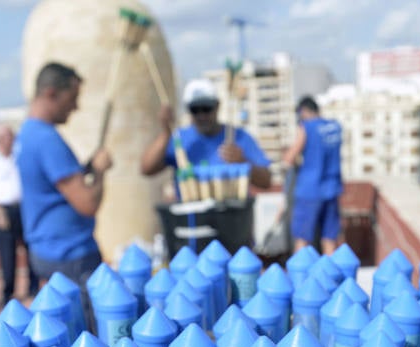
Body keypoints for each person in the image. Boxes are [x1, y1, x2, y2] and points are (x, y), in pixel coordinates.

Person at [14, 62, 113, 288]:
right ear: (51, 93)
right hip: (70, 254)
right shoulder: (47, 140)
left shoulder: (27, 133)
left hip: (46, 249)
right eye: (72, 98)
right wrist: (99, 170)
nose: (75, 107)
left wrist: (84, 170)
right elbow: (87, 203)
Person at [140, 78, 272, 189]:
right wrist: (166, 132)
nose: (202, 115)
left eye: (206, 108)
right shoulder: (179, 138)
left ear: (217, 106)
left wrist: (243, 162)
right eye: (195, 109)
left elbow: (266, 181)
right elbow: (147, 169)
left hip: (232, 217)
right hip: (191, 218)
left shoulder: (239, 136)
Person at [0, 124, 39, 306]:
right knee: (7, 254)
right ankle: (8, 293)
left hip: (24, 208)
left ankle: (34, 288)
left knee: (31, 250)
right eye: (7, 137)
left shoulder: (18, 155)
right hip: (2, 210)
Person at [282, 96, 343, 255]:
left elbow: (289, 158)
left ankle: (299, 278)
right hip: (331, 188)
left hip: (309, 190)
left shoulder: (307, 127)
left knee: (302, 239)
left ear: (303, 111)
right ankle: (332, 277)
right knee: (329, 239)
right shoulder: (334, 126)